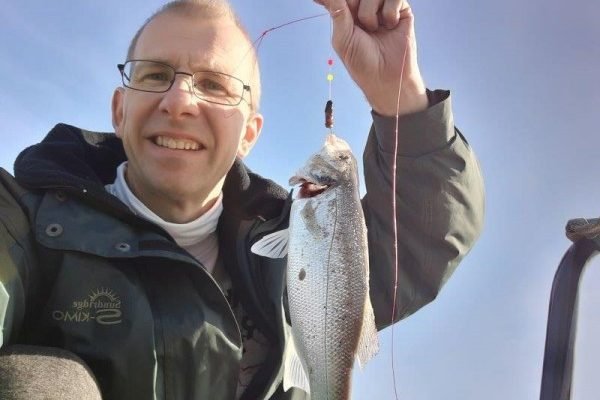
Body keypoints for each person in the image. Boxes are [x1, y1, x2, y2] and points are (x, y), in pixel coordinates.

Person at [0, 0, 484, 399]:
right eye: (154, 75)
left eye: (213, 85)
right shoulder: (19, 220)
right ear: (119, 109)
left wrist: (399, 94)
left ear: (249, 133)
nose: (180, 101)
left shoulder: (300, 253)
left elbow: (426, 234)